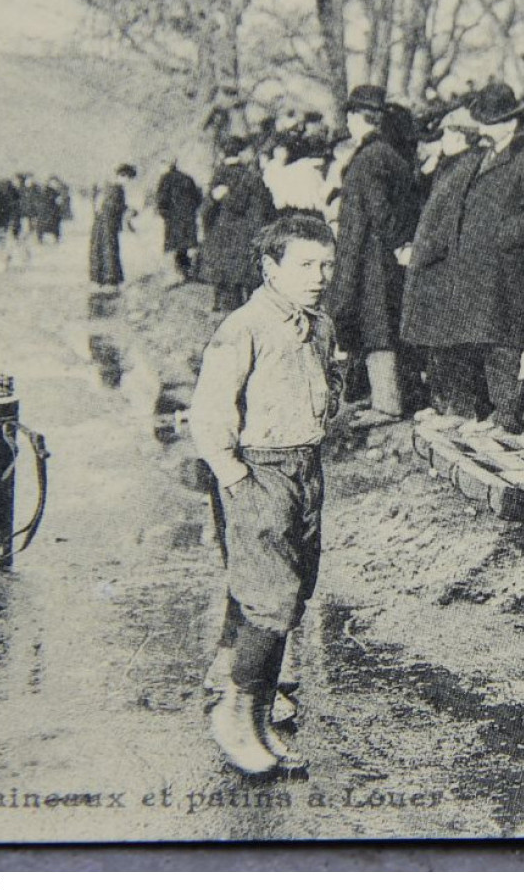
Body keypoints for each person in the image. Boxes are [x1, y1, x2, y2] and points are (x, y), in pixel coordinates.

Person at [189, 214, 341, 776]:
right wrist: (235, 478)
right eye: (305, 265)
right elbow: (209, 413)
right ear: (270, 267)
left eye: (326, 264)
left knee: (291, 590)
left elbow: (328, 384)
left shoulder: (319, 325)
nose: (319, 276)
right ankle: (236, 718)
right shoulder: (245, 326)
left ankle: (254, 710)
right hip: (259, 470)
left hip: (306, 467)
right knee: (270, 598)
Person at [399, 83, 524, 433]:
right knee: (478, 341)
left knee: (504, 344)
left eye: (488, 121)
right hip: (478, 269)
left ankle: (508, 418)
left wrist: (499, 237)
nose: (482, 127)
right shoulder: (482, 158)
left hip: (507, 269)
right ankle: (481, 411)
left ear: (508, 124)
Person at [326, 86, 424, 428]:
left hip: (370, 257)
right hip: (376, 254)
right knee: (377, 323)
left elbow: (381, 213)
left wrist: (389, 245)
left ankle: (388, 403)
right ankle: (385, 396)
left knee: (376, 325)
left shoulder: (370, 158)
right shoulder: (389, 154)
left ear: (356, 117)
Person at [199, 137, 276, 314]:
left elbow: (205, 212)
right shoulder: (252, 177)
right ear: (241, 153)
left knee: (229, 296)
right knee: (254, 295)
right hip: (248, 239)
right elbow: (267, 208)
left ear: (222, 154)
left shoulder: (217, 178)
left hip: (224, 240)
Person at [154, 160, 204, 283]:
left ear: (166, 165)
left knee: (175, 247)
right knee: (188, 245)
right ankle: (191, 272)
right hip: (188, 217)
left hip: (174, 220)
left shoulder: (165, 180)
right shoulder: (187, 178)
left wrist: (164, 214)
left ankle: (180, 274)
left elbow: (161, 200)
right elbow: (198, 197)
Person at [89, 164, 137, 290]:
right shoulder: (116, 189)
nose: (128, 182)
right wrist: (129, 210)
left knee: (100, 251)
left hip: (101, 225)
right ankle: (110, 281)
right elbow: (112, 206)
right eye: (128, 179)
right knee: (109, 251)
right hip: (108, 225)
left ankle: (99, 280)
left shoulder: (107, 187)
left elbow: (102, 206)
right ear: (123, 176)